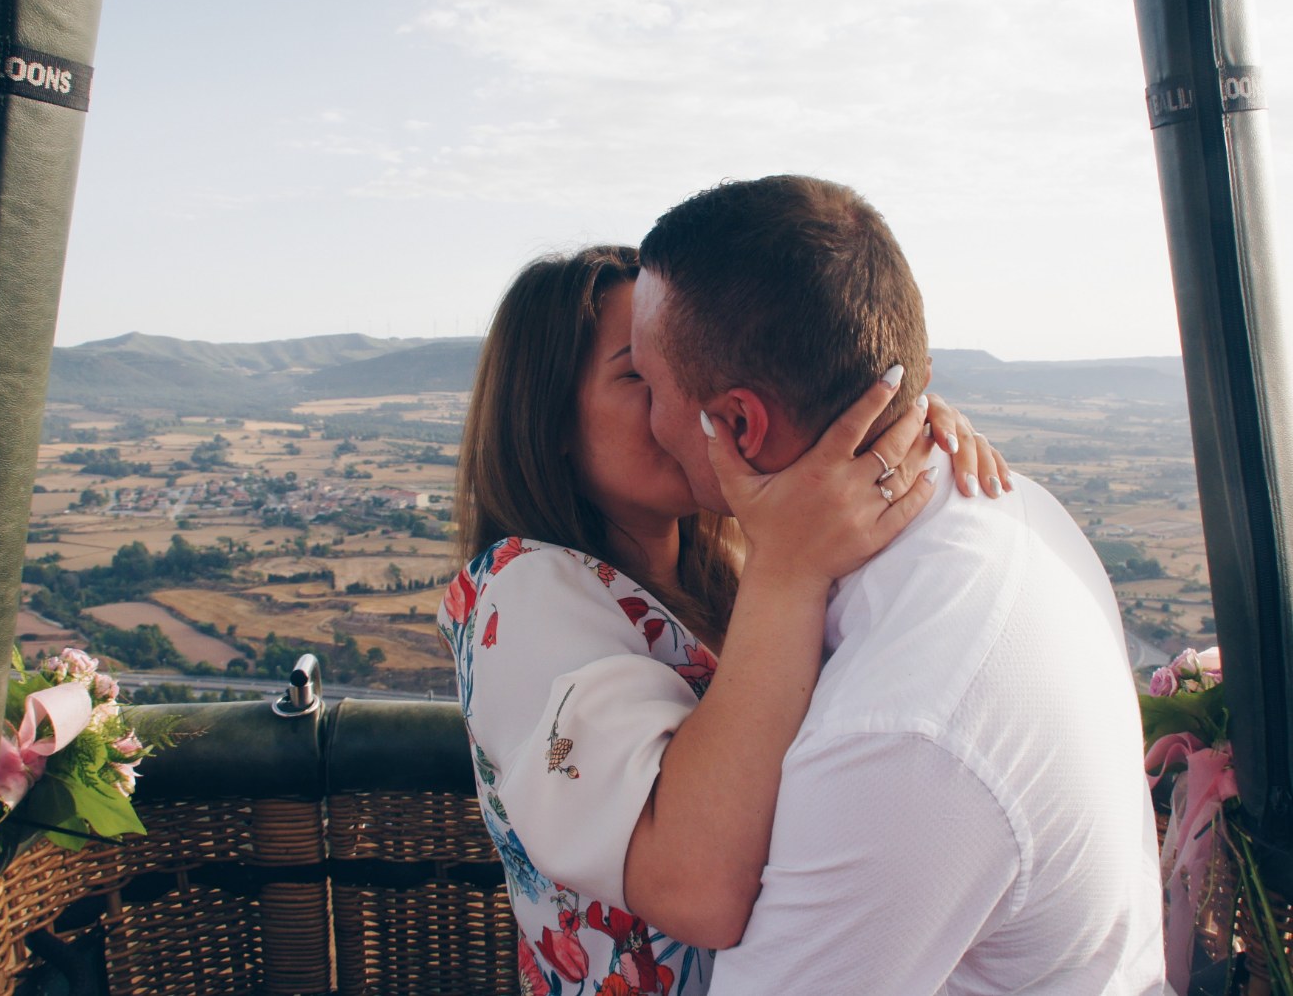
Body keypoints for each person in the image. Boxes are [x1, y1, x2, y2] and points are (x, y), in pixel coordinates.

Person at [628, 175, 1167, 994]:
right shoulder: (1009, 504)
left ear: (738, 424)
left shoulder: (903, 731)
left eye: (647, 383)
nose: (645, 418)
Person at [440, 243, 1012, 996]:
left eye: (685, 369)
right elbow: (694, 887)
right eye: (640, 377)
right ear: (549, 421)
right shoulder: (521, 590)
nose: (690, 401)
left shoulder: (724, 568)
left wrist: (905, 442)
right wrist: (791, 568)